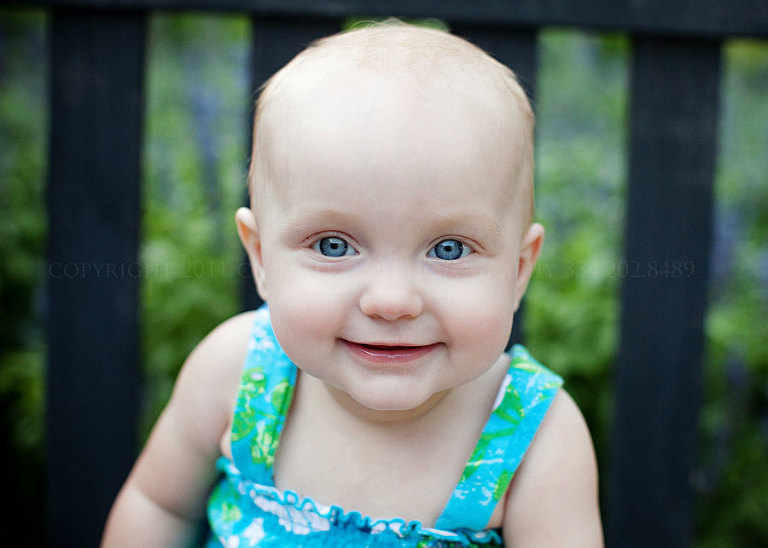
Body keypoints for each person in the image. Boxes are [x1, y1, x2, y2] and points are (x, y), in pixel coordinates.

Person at [102, 20, 603, 547]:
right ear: (261, 257)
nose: (391, 301)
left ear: (519, 270)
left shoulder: (535, 436)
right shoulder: (237, 371)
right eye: (333, 246)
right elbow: (157, 506)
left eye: (449, 249)